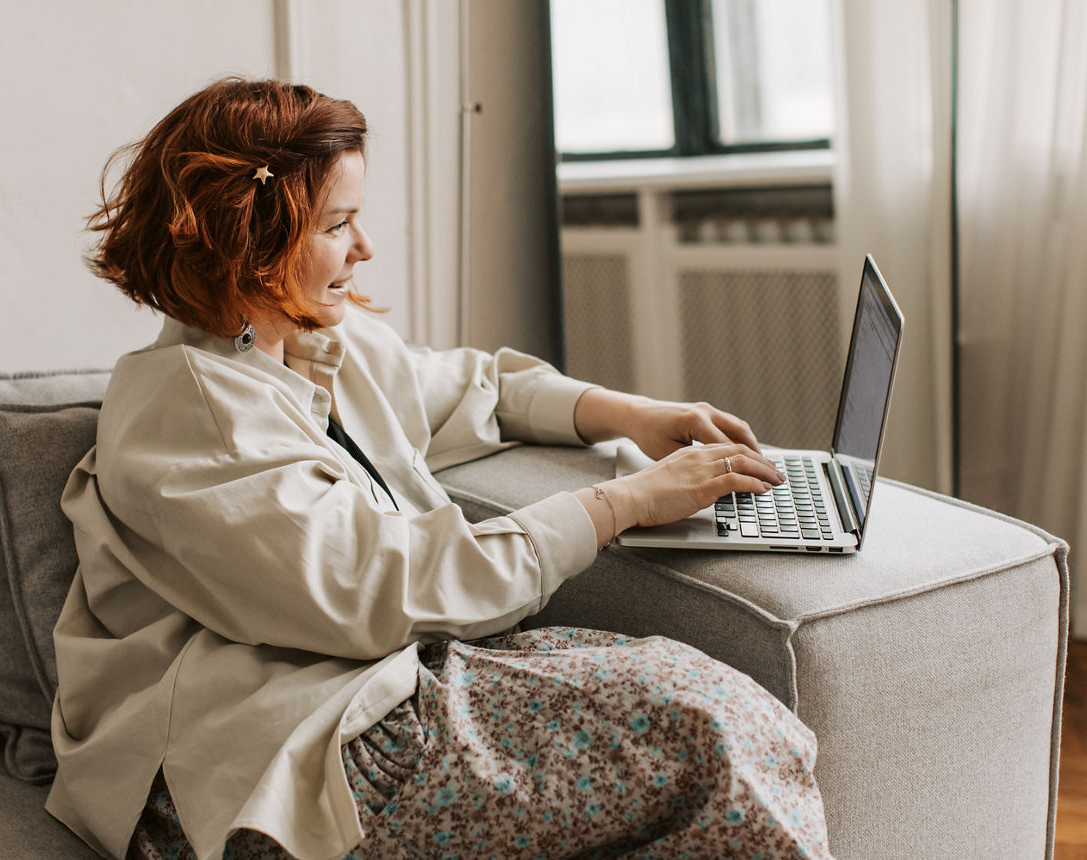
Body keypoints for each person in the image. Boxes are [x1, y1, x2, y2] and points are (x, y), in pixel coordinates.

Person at [48, 77, 832, 860]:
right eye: (338, 224)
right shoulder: (192, 414)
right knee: (707, 727)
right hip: (269, 767)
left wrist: (633, 414)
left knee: (723, 710)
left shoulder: (315, 342)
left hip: (374, 687)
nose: (364, 248)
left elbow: (473, 387)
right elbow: (379, 587)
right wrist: (623, 502)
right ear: (248, 238)